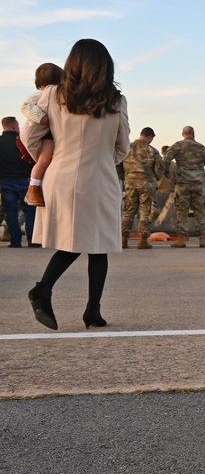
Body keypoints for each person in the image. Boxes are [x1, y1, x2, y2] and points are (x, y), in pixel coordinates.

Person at [22, 39, 130, 330]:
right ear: (106, 66)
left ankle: (47, 291)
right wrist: (103, 159)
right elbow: (123, 147)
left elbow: (30, 135)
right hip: (100, 175)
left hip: (63, 175)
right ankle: (87, 308)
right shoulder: (116, 100)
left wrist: (51, 159)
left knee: (75, 240)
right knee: (99, 244)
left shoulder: (54, 95)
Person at [162, 126, 205, 247]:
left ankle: (181, 239)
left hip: (183, 184)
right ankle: (202, 239)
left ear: (183, 134)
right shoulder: (201, 148)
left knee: (182, 212)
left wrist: (169, 176)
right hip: (199, 185)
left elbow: (165, 160)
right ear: (194, 134)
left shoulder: (178, 146)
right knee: (200, 212)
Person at [22, 63, 64, 207]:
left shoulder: (53, 95)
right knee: (44, 160)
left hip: (48, 133)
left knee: (47, 160)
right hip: (43, 134)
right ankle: (32, 189)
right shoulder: (40, 95)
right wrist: (42, 118)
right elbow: (26, 106)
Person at [120, 127, 164, 249]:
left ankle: (123, 239)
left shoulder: (127, 148)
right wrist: (154, 179)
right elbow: (159, 169)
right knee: (145, 212)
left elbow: (118, 165)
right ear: (149, 137)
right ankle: (143, 241)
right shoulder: (152, 151)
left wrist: (126, 178)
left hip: (130, 184)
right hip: (147, 185)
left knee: (128, 212)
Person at [1, 116, 37, 248]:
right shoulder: (23, 141)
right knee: (30, 211)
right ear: (15, 127)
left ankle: (15, 242)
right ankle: (32, 241)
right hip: (25, 180)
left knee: (10, 211)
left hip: (5, 181)